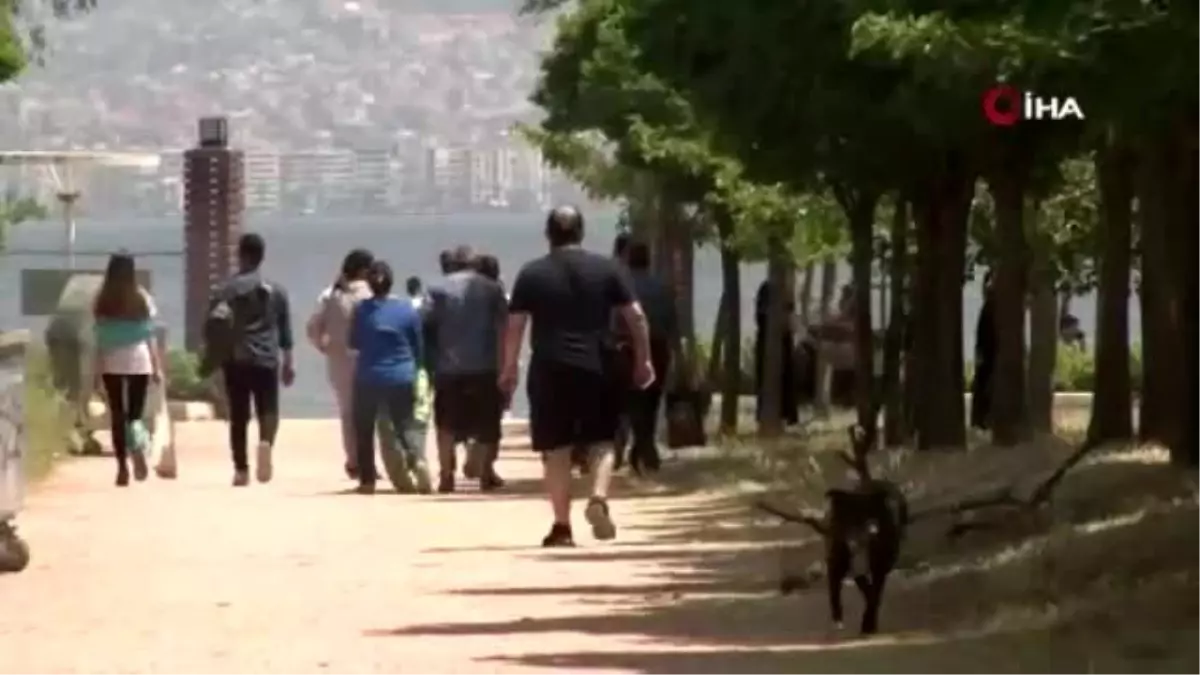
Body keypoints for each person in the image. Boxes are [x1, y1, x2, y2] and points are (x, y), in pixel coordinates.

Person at [500, 206, 654, 547]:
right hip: (598, 364)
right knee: (602, 439)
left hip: (550, 367)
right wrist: (643, 360)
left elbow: (515, 327)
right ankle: (598, 497)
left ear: (548, 234)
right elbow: (637, 318)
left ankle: (561, 526)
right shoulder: (607, 270)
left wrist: (509, 368)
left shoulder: (531, 274)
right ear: (581, 232)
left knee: (556, 449)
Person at [208, 233, 294, 487]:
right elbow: (285, 331)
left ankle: (241, 469)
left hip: (236, 358)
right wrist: (289, 362)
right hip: (267, 357)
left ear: (240, 255)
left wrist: (212, 361)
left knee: (238, 415)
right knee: (269, 409)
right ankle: (266, 442)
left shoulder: (225, 290)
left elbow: (213, 327)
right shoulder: (277, 290)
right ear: (262, 257)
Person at [424, 245, 508, 493]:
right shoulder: (492, 289)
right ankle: (485, 474)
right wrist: (506, 365)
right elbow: (504, 327)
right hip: (485, 365)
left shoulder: (436, 288)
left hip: (448, 366)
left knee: (446, 424)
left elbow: (425, 323)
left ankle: (447, 475)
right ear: (473, 264)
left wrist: (430, 360)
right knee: (488, 423)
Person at [349, 260, 431, 495]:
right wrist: (416, 369)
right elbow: (418, 346)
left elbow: (354, 342)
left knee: (364, 429)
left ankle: (367, 481)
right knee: (405, 425)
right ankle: (417, 461)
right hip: (402, 374)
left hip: (369, 376)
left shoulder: (362, 310)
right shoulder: (406, 309)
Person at [91, 252, 163, 486]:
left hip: (112, 361)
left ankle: (122, 467)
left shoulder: (102, 299)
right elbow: (149, 335)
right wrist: (157, 367)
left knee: (117, 416)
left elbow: (100, 339)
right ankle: (138, 445)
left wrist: (96, 372)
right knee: (134, 416)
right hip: (139, 360)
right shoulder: (141, 298)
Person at [306, 248, 378, 479]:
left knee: (348, 414)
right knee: (371, 414)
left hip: (339, 362)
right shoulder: (370, 294)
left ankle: (354, 461)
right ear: (365, 270)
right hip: (369, 359)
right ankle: (370, 461)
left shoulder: (329, 294)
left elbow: (313, 328)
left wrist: (324, 347)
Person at [623, 241, 676, 473]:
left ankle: (644, 448)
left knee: (634, 401)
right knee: (652, 400)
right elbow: (672, 322)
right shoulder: (662, 287)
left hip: (628, 347)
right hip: (659, 348)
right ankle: (645, 448)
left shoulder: (622, 286)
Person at [754, 279, 799, 426]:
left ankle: (785, 418)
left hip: (781, 348)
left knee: (786, 385)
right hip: (770, 349)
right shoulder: (769, 295)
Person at [971, 272, 997, 430]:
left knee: (983, 385)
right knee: (984, 386)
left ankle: (982, 420)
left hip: (988, 355)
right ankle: (982, 420)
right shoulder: (989, 309)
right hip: (988, 355)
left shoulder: (989, 309)